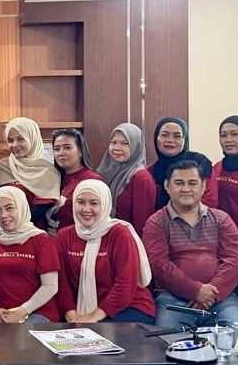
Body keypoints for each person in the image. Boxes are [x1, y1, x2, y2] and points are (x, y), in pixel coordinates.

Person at [142, 159, 238, 329]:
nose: (186, 189)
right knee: (165, 338)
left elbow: (234, 261)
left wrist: (209, 293)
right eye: (179, 183)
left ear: (203, 186)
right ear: (167, 186)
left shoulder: (222, 219)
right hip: (173, 299)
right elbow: (159, 266)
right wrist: (195, 291)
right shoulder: (156, 222)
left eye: (192, 183)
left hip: (221, 298)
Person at [55, 180, 155, 324]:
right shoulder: (64, 236)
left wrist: (93, 317)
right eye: (80, 202)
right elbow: (61, 282)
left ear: (105, 204)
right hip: (81, 312)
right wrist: (71, 315)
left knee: (103, 334)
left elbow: (125, 284)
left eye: (94, 203)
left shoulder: (119, 233)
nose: (86, 209)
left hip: (128, 306)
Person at [0, 186, 60, 324]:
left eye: (9, 208)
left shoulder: (41, 239)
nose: (4, 215)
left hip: (38, 313)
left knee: (22, 336)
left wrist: (22, 311)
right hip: (2, 314)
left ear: (22, 207)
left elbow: (50, 286)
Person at [0, 118, 61, 230]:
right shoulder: (2, 167)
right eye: (10, 140)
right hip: (4, 230)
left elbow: (43, 209)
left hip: (34, 231)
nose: (15, 144)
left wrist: (19, 227)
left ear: (32, 138)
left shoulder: (47, 171)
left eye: (21, 139)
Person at [97, 123, 158, 230]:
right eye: (113, 142)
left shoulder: (141, 179)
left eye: (125, 143)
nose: (117, 148)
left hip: (128, 237)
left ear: (136, 146)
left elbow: (142, 225)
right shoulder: (106, 171)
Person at [148, 117, 217, 209]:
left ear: (185, 140)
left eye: (177, 136)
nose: (170, 140)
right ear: (156, 138)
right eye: (164, 135)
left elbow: (210, 201)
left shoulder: (200, 163)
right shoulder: (150, 172)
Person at [51, 128, 104, 229]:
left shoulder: (92, 180)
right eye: (57, 149)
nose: (61, 153)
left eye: (67, 148)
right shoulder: (54, 179)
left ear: (80, 151)